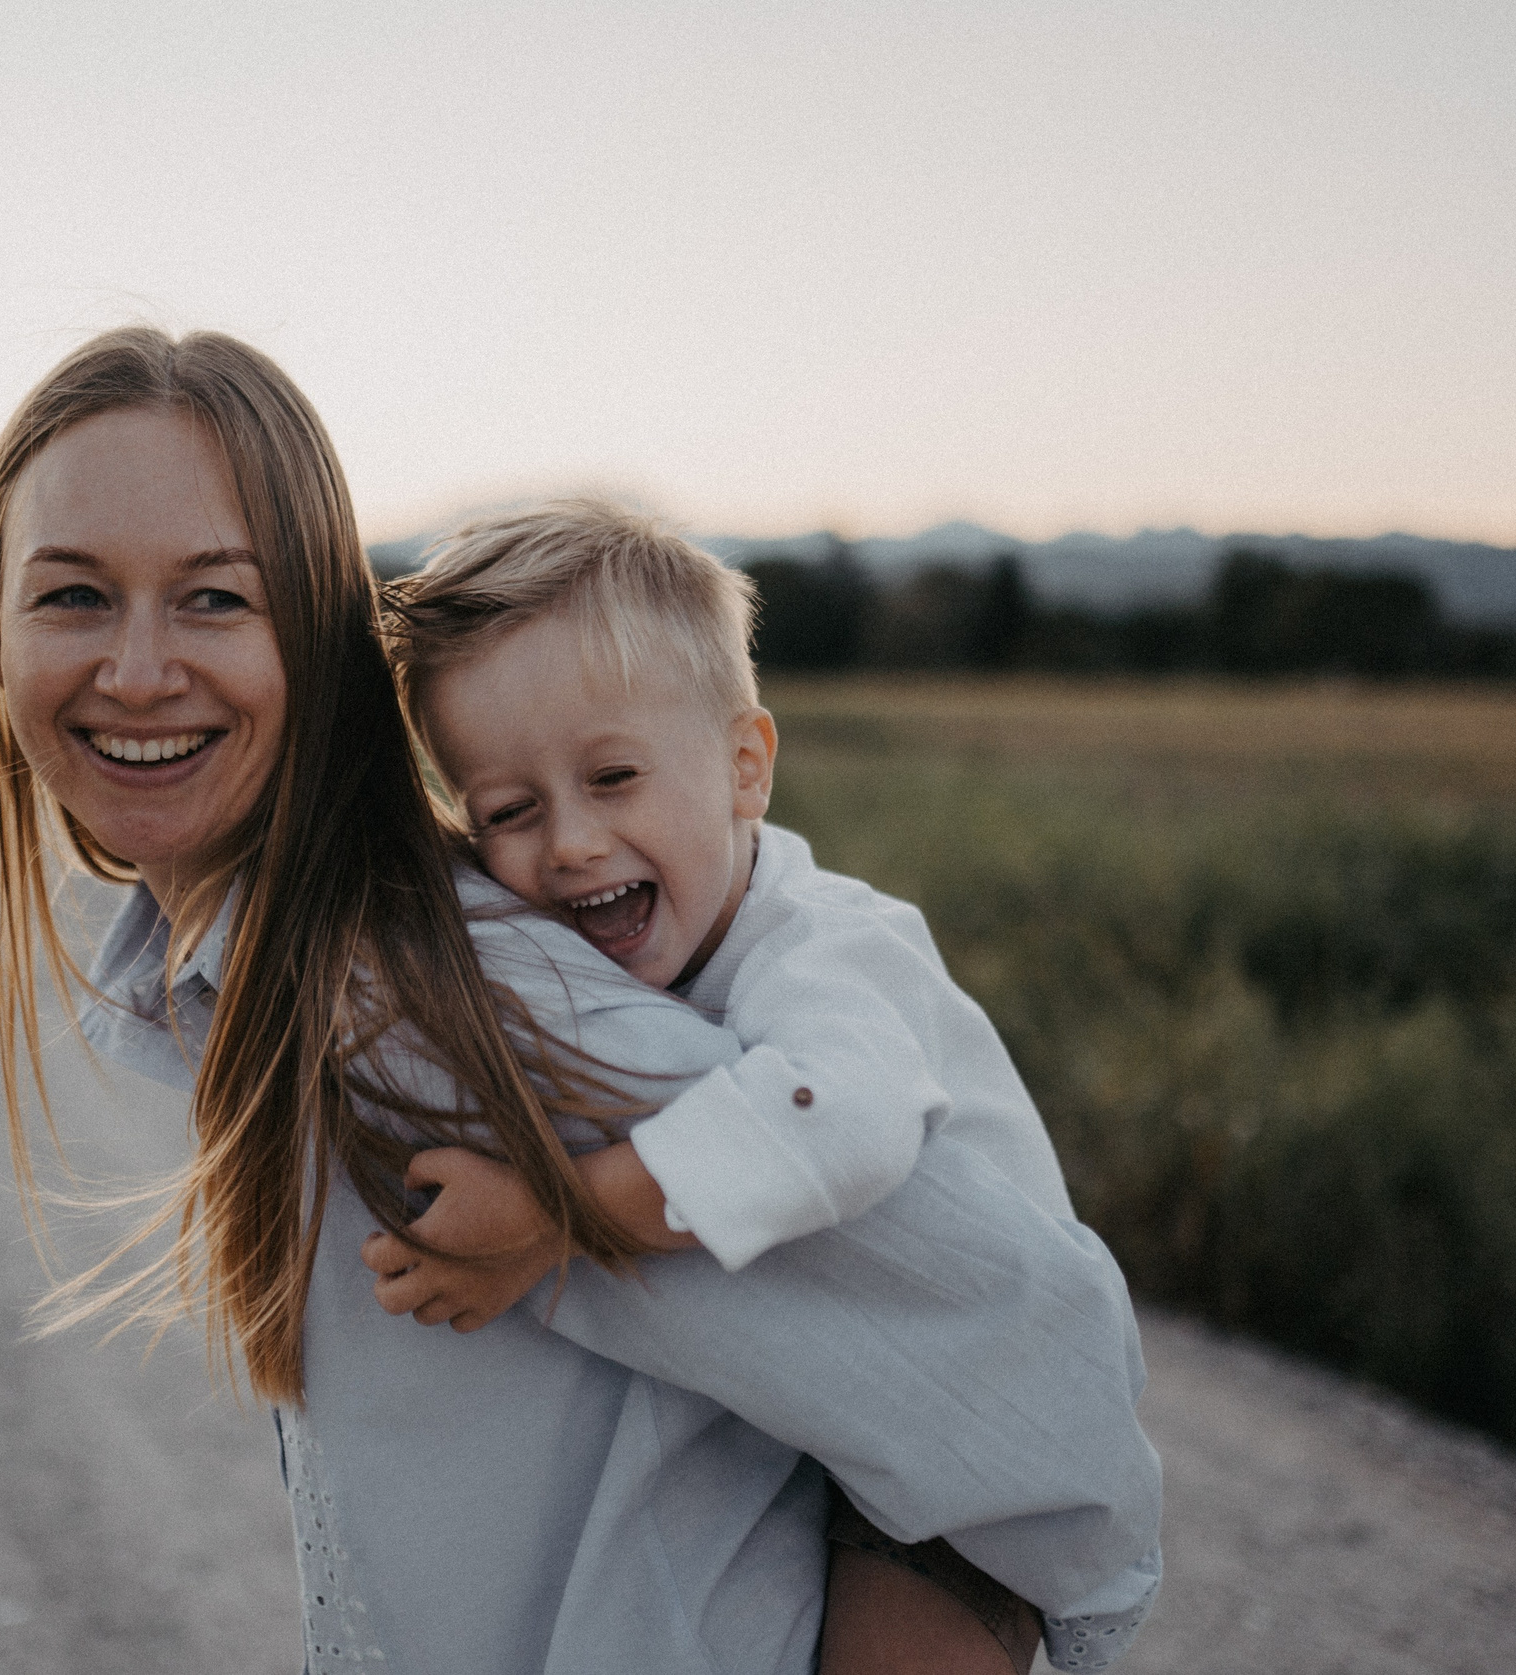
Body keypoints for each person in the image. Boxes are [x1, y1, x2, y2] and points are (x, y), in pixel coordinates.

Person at [0, 326, 1162, 1674]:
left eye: (215, 597)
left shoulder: (419, 1006)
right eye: (73, 592)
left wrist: (569, 1213)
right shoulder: (265, 979)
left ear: (316, 642)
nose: (136, 667)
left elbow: (1031, 1347)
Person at [364, 498, 1129, 1673]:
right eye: (508, 813)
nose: (568, 842)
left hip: (967, 1446)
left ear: (743, 768)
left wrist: (548, 1220)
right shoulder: (639, 942)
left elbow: (837, 1126)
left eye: (613, 776)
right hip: (813, 1414)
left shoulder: (829, 952)